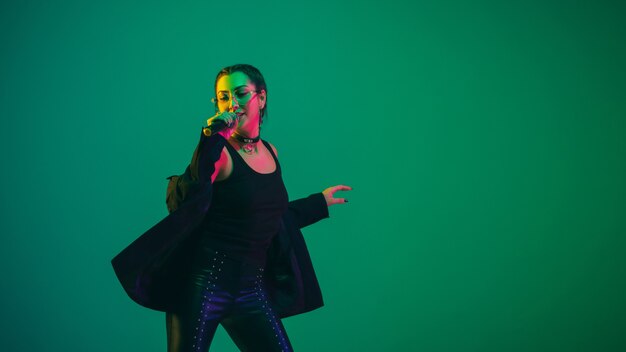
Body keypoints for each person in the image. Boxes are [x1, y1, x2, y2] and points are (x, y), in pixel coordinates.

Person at [111, 64, 350, 351]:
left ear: (261, 98)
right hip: (202, 289)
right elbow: (189, 199)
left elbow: (270, 217)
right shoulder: (220, 154)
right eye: (223, 97)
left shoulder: (271, 152)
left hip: (251, 292)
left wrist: (318, 203)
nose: (232, 103)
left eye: (239, 94)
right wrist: (212, 137)